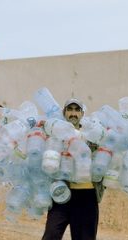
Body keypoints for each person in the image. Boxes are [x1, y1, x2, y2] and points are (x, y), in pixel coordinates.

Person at [42, 98, 105, 240]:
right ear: (64, 113)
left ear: (82, 114)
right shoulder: (56, 134)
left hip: (86, 196)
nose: (73, 113)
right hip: (61, 193)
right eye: (70, 109)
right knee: (51, 235)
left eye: (77, 110)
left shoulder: (92, 135)